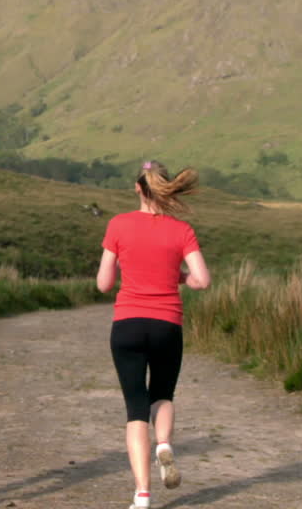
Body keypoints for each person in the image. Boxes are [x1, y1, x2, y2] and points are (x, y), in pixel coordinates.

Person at [96, 160, 211, 509]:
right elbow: (202, 280)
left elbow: (103, 284)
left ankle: (142, 494)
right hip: (167, 326)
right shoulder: (182, 230)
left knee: (135, 409)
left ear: (137, 188)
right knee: (162, 393)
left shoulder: (118, 224)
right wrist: (177, 277)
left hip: (128, 324)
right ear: (166, 188)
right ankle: (163, 444)